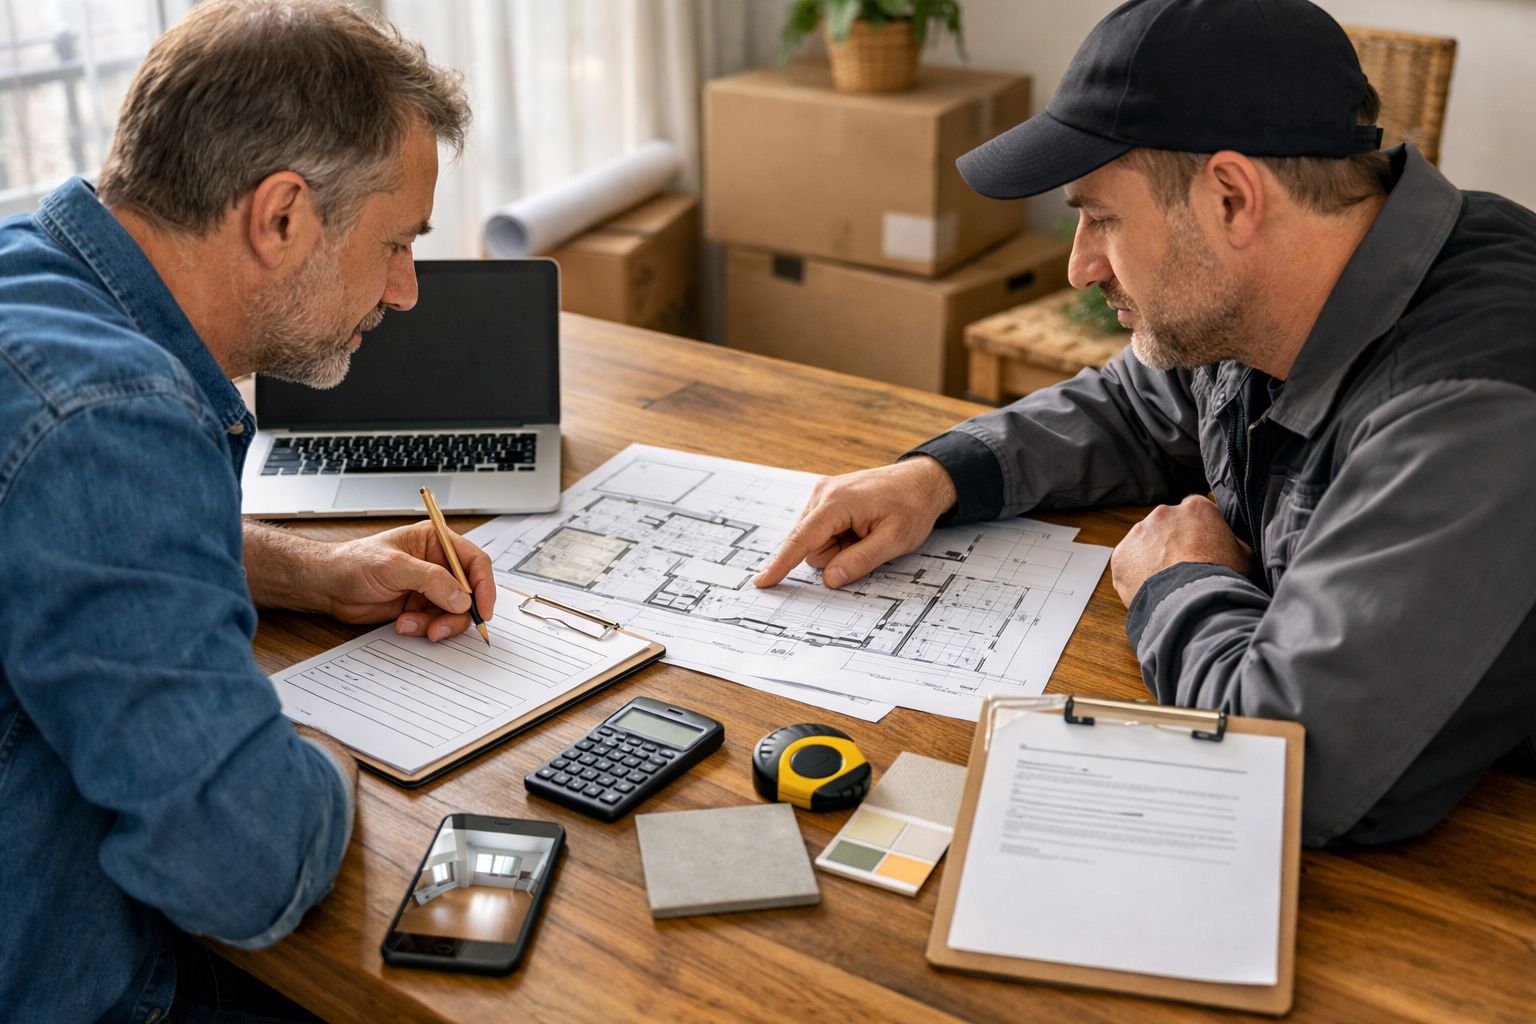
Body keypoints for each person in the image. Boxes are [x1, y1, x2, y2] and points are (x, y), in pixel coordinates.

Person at [756, 0, 1536, 848]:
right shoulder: (1277, 285)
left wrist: (1179, 579)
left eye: (1101, 217)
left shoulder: (1472, 406)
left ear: (1233, 197)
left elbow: (1297, 771)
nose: (1079, 263)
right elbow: (1139, 403)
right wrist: (936, 478)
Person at [0, 2, 485, 1020]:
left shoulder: (32, 277)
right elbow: (247, 869)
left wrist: (312, 570)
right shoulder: (111, 420)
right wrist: (327, 760)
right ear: (281, 217)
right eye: (396, 244)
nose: (404, 292)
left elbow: (42, 538)